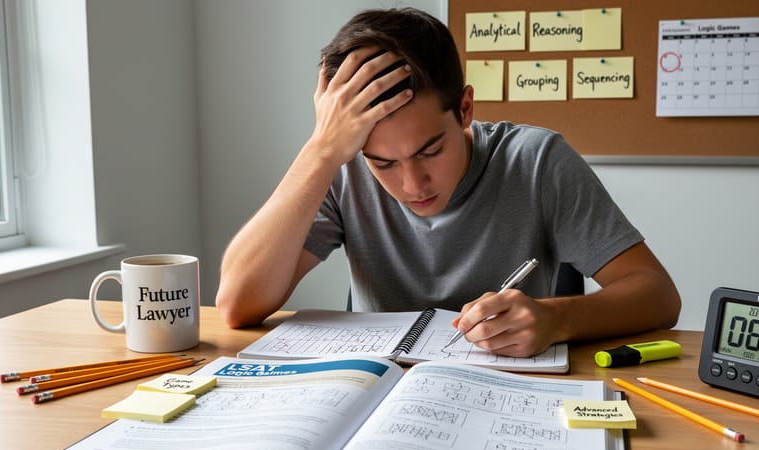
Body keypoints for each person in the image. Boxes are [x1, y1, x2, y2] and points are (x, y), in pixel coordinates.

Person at [216, 7, 681, 357]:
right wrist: (319, 151)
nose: (412, 183)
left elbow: (657, 295)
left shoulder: (537, 161)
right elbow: (237, 305)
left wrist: (556, 318)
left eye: (430, 150)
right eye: (383, 163)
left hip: (507, 390)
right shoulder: (340, 164)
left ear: (464, 110)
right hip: (376, 393)